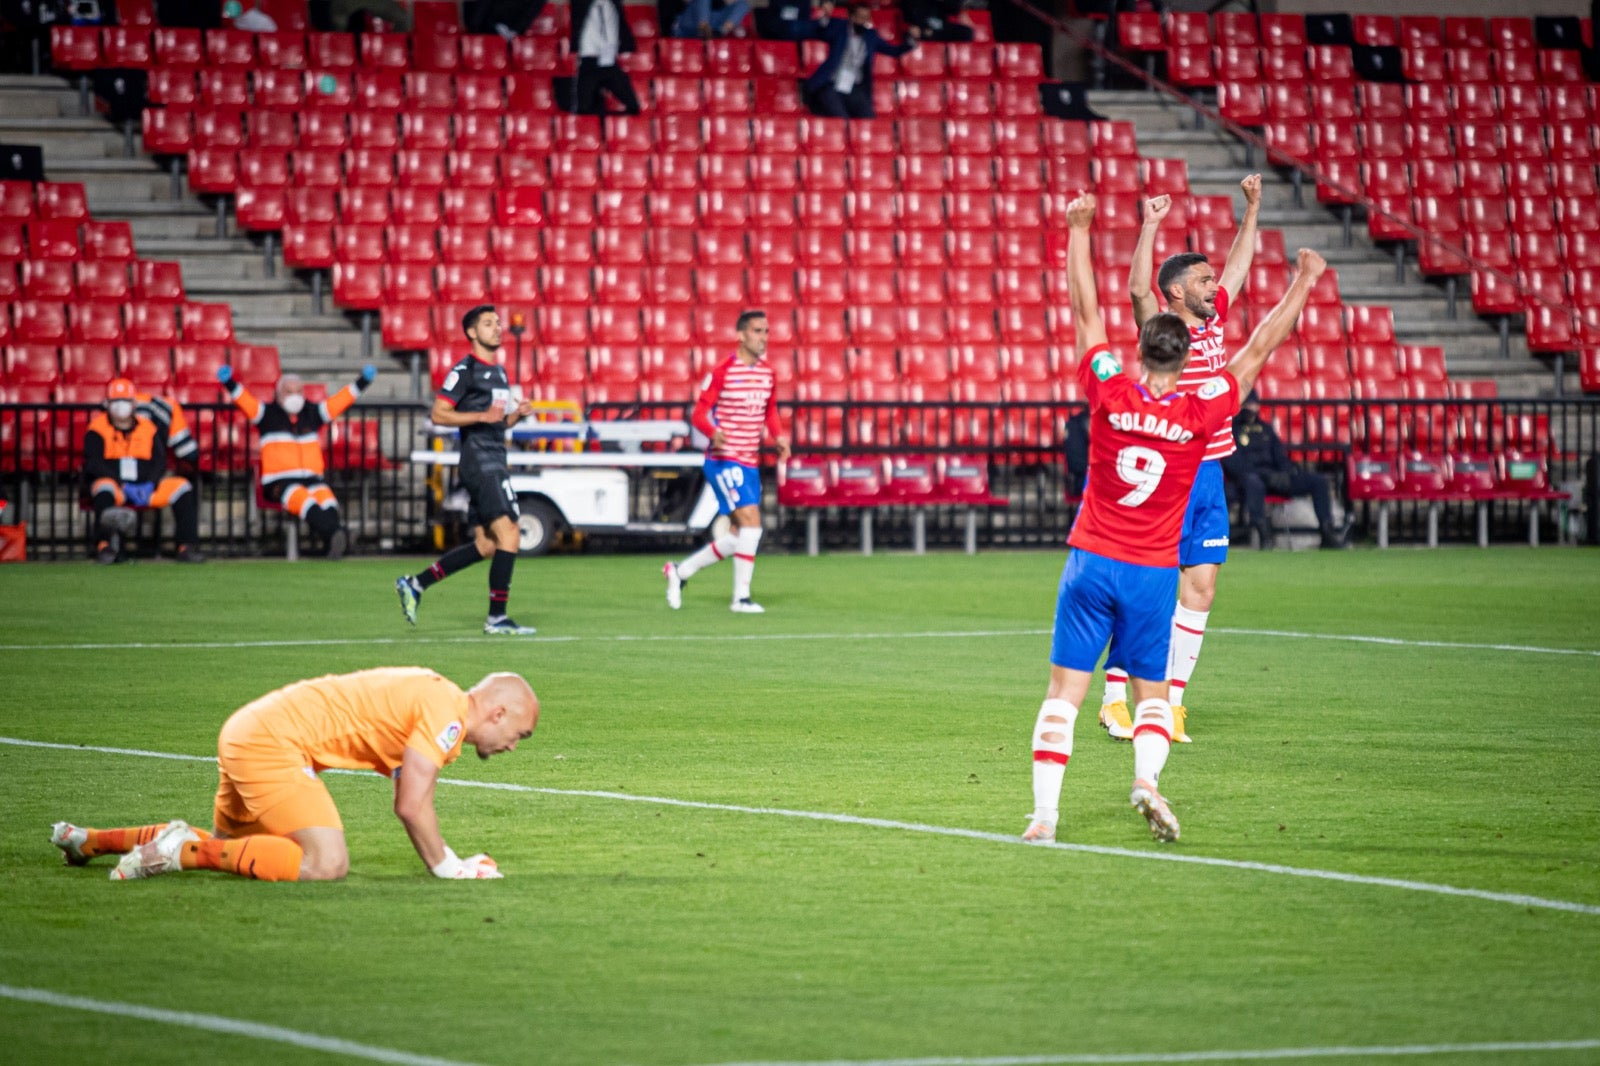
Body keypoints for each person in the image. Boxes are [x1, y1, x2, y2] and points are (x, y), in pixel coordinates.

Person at [1023, 191, 1325, 845]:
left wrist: (1079, 232)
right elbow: (1261, 347)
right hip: (1151, 570)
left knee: (1060, 695)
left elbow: (1084, 313)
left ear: (1139, 351)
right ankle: (1147, 781)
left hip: (1090, 560)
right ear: (1186, 358)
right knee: (1154, 695)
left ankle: (1044, 818)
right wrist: (1301, 282)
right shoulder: (1200, 414)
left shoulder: (1107, 392)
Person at [51, 668, 539, 882]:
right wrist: (447, 868)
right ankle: (178, 851)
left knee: (235, 847)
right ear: (498, 713)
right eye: (521, 733)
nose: (515, 745)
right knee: (326, 863)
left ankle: (92, 840)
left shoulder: (436, 695)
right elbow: (411, 804)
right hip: (274, 743)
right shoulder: (446, 713)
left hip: (249, 728)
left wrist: (449, 856)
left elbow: (409, 793)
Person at [1096, 175, 1263, 746]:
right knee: (1148, 587)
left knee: (1203, 588)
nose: (1215, 286)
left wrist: (1251, 211)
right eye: (1202, 280)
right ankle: (1116, 699)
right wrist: (1148, 225)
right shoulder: (1162, 330)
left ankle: (1171, 705)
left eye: (1212, 279)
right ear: (1175, 293)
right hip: (1169, 472)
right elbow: (1137, 285)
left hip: (1210, 470)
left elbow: (1239, 267)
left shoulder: (1214, 322)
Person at [396, 305, 539, 635]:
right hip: (481, 462)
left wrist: (517, 417)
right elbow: (439, 414)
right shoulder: (465, 370)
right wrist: (478, 417)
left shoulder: (500, 372)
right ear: (472, 332)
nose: (497, 328)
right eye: (488, 323)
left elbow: (495, 422)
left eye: (498, 323)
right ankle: (497, 618)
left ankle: (416, 584)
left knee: (488, 545)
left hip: (493, 456)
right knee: (511, 534)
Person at [663, 310, 790, 614]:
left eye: (766, 331)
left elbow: (769, 410)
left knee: (739, 536)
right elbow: (698, 413)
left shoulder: (768, 373)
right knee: (752, 524)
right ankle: (741, 598)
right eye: (758, 331)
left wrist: (779, 436)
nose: (764, 337)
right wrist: (713, 432)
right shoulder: (723, 371)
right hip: (723, 460)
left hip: (749, 462)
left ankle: (680, 572)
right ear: (741, 335)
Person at [218, 364, 378, 560]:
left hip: (312, 479)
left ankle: (333, 543)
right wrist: (229, 382)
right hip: (279, 481)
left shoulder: (312, 413)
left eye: (298, 391)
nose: (295, 396)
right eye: (289, 392)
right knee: (303, 499)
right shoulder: (266, 414)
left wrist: (363, 382)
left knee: (327, 500)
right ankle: (340, 535)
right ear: (278, 395)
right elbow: (245, 401)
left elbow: (339, 402)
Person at [82, 378, 203, 564]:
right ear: (107, 404)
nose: (120, 406)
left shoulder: (148, 427)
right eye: (115, 401)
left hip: (146, 487)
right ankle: (104, 546)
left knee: (181, 486)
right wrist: (123, 485)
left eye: (124, 401)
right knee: (103, 488)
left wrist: (151, 484)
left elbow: (159, 461)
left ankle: (186, 546)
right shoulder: (97, 428)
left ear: (134, 403)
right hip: (117, 487)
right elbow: (93, 463)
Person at [1222, 392, 1349, 550]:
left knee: (1318, 482)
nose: (1250, 408)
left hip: (1275, 477)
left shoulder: (1266, 429)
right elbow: (1233, 464)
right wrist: (1262, 475)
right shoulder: (1231, 429)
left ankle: (1327, 530)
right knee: (1253, 482)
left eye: (1253, 404)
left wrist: (1287, 472)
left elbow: (1280, 456)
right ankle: (1262, 533)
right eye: (1247, 404)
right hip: (1250, 481)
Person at [799, 0, 920, 120]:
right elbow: (821, 30)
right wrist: (825, 15)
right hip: (831, 84)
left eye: (865, 18)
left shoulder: (871, 36)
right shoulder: (839, 28)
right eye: (859, 17)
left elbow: (894, 51)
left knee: (868, 117)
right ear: (851, 16)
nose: (862, 22)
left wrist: (911, 40)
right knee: (842, 119)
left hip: (854, 86)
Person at [571, 0, 643, 115]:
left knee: (633, 108)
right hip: (588, 61)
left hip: (610, 61)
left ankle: (613, 126)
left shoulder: (614, 4)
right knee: (583, 111)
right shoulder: (581, 5)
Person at [900, 0, 973, 42]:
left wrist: (961, 13)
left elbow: (954, 9)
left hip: (940, 28)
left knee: (966, 32)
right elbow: (907, 10)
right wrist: (912, 24)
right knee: (913, 34)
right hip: (921, 27)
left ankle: (957, 62)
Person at [671, 0, 750, 38]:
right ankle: (704, 29)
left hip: (714, 26)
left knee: (743, 4)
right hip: (691, 22)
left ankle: (721, 31)